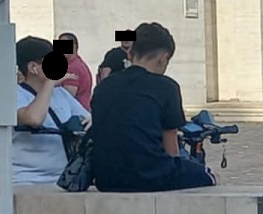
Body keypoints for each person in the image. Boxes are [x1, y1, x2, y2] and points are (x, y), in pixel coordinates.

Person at [90, 22, 217, 192]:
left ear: (130, 53)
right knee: (207, 174)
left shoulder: (104, 87)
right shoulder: (166, 87)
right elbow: (171, 150)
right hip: (150, 177)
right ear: (163, 58)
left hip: (107, 179)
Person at [14, 37, 90, 184]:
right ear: (33, 67)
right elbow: (33, 119)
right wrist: (50, 82)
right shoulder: (15, 95)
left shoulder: (61, 94)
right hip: (26, 180)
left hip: (64, 180)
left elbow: (87, 117)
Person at [56, 32, 95, 111]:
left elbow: (67, 96)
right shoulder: (77, 63)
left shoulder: (73, 68)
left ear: (74, 46)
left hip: (75, 112)